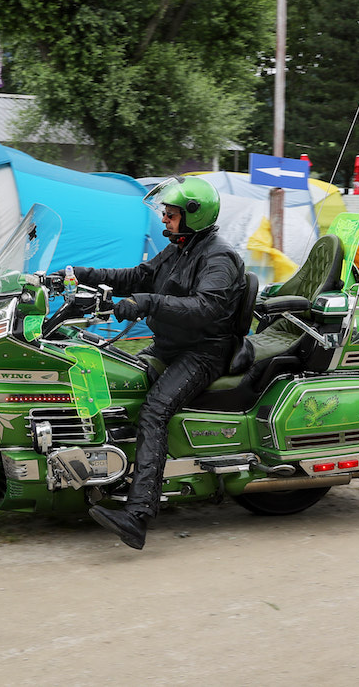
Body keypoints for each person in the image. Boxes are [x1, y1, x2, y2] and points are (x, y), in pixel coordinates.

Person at [66, 175, 245, 550]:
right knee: (114, 382)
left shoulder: (218, 256)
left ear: (194, 215)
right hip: (170, 345)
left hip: (202, 352)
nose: (164, 218)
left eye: (172, 213)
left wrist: (148, 302)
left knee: (154, 410)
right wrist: (77, 274)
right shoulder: (181, 246)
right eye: (165, 212)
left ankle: (137, 515)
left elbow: (206, 308)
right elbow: (138, 276)